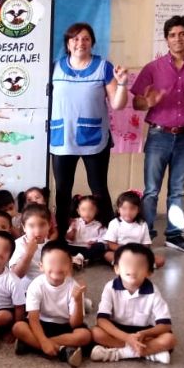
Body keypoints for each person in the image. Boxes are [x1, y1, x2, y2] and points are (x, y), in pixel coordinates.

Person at [131, 15, 184, 253]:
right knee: (151, 190)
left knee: (178, 190)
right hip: (158, 136)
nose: (177, 38)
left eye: (182, 34)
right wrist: (148, 101)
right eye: (172, 35)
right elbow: (137, 102)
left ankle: (174, 234)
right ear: (166, 39)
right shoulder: (153, 68)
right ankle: (145, 234)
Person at [50, 23, 128, 239]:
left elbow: (118, 104)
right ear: (68, 43)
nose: (80, 43)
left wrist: (122, 85)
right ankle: (62, 236)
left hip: (94, 138)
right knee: (63, 190)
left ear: (92, 42)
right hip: (62, 138)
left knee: (99, 188)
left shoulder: (104, 67)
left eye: (85, 38)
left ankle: (110, 236)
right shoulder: (54, 67)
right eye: (75, 39)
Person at [91, 244, 176, 364]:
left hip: (144, 333)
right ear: (117, 268)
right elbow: (101, 320)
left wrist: (144, 333)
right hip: (118, 331)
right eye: (126, 263)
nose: (132, 269)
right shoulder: (110, 287)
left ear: (149, 272)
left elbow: (165, 325)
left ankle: (119, 353)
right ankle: (148, 353)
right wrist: (127, 338)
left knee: (169, 339)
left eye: (139, 266)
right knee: (96, 333)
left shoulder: (153, 291)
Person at [12, 242, 91, 367]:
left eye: (62, 263)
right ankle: (63, 351)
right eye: (52, 263)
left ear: (70, 266)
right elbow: (33, 319)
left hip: (64, 326)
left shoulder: (73, 286)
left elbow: (75, 323)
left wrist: (78, 300)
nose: (57, 267)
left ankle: (31, 345)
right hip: (41, 324)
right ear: (41, 266)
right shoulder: (36, 285)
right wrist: (43, 341)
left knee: (85, 335)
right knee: (18, 327)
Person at [103, 191, 165, 268]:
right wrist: (125, 249)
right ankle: (129, 265)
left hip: (137, 253)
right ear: (118, 209)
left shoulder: (142, 224)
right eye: (124, 208)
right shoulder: (114, 223)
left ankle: (136, 265)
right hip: (121, 252)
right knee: (108, 255)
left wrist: (139, 252)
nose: (128, 212)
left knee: (160, 260)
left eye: (132, 209)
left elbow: (146, 244)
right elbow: (111, 244)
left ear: (138, 210)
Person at [65, 195, 107, 268]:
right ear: (78, 211)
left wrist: (96, 242)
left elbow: (105, 239)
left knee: (101, 247)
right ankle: (81, 260)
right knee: (62, 247)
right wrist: (73, 231)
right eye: (83, 210)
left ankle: (79, 258)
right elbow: (68, 239)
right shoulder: (75, 222)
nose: (87, 213)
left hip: (88, 248)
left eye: (91, 210)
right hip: (74, 246)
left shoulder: (99, 225)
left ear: (96, 211)